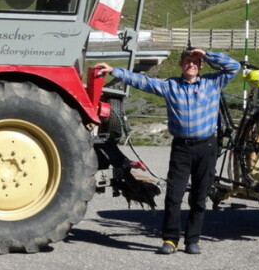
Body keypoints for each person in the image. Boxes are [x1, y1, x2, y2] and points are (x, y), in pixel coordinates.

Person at [94, 48, 240, 255]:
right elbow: (141, 81)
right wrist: (113, 70)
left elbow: (234, 67)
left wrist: (206, 54)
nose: (191, 64)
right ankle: (170, 240)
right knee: (173, 195)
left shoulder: (212, 82)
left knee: (199, 196)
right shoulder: (170, 86)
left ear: (201, 66)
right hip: (181, 147)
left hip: (206, 147)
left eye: (195, 62)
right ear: (181, 64)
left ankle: (192, 240)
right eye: (188, 61)